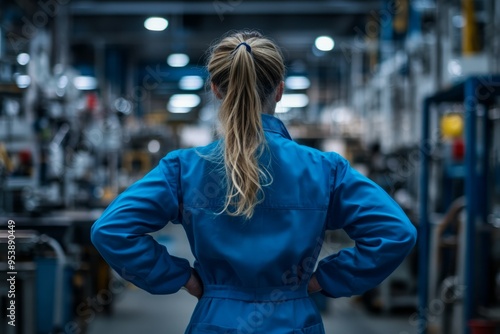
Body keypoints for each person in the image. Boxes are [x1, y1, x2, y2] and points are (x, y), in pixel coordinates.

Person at [91, 30, 417, 333]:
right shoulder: (325, 169)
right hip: (293, 317)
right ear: (280, 90)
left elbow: (111, 229)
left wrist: (182, 278)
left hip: (215, 320)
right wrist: (323, 280)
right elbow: (395, 232)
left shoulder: (184, 167)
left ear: (215, 89)